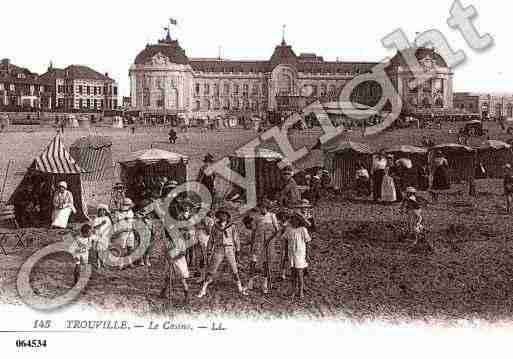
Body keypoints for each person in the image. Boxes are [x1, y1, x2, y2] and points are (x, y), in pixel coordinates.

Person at [197, 208, 248, 298]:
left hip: (229, 249)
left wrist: (238, 250)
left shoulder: (232, 226)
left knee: (234, 269)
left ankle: (240, 288)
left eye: (225, 214)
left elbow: (236, 239)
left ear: (228, 217)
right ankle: (203, 289)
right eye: (221, 214)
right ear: (218, 216)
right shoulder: (215, 227)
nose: (223, 216)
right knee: (211, 270)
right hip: (218, 249)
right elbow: (211, 240)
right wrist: (209, 251)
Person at [279, 211, 312, 300]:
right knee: (293, 274)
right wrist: (285, 254)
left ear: (299, 221)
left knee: (300, 274)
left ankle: (300, 291)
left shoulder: (302, 230)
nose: (294, 221)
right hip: (291, 254)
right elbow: (285, 241)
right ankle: (293, 290)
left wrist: (307, 255)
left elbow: (307, 242)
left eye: (296, 220)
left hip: (300, 255)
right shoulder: (289, 229)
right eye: (292, 219)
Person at [113, 198, 135, 269]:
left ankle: (130, 262)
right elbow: (117, 222)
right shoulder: (118, 213)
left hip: (130, 231)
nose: (127, 206)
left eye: (128, 205)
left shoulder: (130, 212)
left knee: (130, 247)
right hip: (122, 232)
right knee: (122, 248)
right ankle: (121, 263)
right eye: (126, 205)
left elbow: (129, 221)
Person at [194, 210, 215, 283]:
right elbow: (194, 228)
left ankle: (209, 278)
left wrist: (204, 224)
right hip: (197, 241)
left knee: (207, 259)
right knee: (200, 259)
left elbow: (209, 231)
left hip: (206, 242)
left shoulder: (210, 220)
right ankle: (202, 276)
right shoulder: (197, 219)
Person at [92, 204, 112, 269]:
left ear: (106, 212)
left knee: (104, 249)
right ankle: (98, 262)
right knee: (98, 249)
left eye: (104, 210)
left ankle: (103, 262)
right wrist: (101, 224)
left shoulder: (107, 219)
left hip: (105, 236)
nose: (102, 212)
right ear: (98, 211)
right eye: (100, 210)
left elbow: (110, 227)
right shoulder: (97, 219)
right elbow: (94, 227)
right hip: (98, 235)